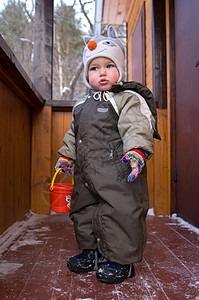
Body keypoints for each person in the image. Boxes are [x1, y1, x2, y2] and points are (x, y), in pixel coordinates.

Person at [55, 26, 160, 284]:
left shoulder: (126, 99)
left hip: (118, 171)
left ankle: (120, 260)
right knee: (84, 210)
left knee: (120, 211)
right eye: (94, 67)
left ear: (119, 70)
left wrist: (136, 150)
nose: (102, 72)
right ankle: (91, 252)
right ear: (87, 74)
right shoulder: (81, 105)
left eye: (109, 65)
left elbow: (136, 125)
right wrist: (67, 156)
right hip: (87, 172)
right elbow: (73, 134)